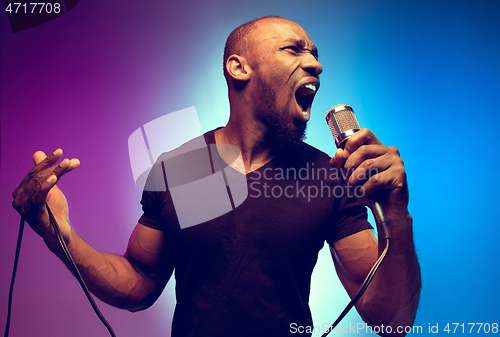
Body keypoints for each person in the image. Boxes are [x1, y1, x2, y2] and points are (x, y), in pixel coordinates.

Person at [12, 16, 421, 337]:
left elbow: (390, 320)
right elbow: (139, 282)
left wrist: (396, 216)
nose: (314, 63)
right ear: (238, 67)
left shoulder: (326, 175)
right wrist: (59, 237)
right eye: (294, 50)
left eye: (314, 53)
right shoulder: (186, 169)